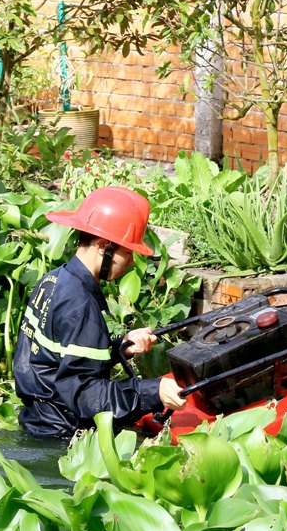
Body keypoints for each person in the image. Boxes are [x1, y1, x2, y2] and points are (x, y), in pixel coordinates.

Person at [14, 186, 187, 439]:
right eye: (127, 253)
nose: (129, 262)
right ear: (103, 246)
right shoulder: (81, 305)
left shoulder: (53, 280)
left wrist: (120, 348)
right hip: (64, 436)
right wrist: (153, 391)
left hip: (37, 421)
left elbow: (56, 362)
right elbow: (85, 396)